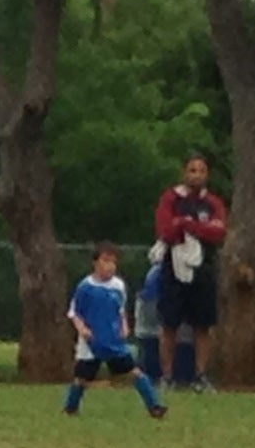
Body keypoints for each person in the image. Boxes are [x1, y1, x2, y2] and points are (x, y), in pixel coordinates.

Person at [63, 243, 166, 420]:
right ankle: (70, 408)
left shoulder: (118, 285)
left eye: (113, 262)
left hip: (113, 340)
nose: (110, 266)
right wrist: (82, 329)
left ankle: (154, 406)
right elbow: (74, 312)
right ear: (95, 263)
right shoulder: (85, 287)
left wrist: (124, 326)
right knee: (81, 378)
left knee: (134, 372)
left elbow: (120, 309)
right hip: (92, 342)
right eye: (105, 261)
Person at [152, 152, 227, 392]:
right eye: (192, 170)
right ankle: (167, 376)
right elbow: (166, 230)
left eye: (202, 171)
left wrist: (187, 224)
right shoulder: (171, 198)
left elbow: (218, 232)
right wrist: (194, 228)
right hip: (173, 268)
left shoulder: (213, 203)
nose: (197, 175)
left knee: (203, 325)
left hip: (204, 269)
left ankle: (200, 376)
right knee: (169, 324)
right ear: (185, 173)